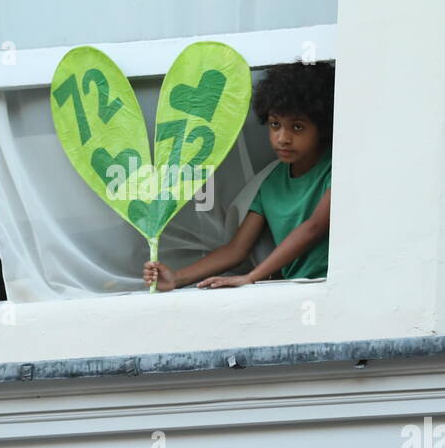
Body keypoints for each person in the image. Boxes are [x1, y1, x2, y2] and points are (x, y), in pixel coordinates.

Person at [143, 60, 334, 290]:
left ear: (323, 127)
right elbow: (237, 249)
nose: (282, 138)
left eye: (297, 127)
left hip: (331, 286)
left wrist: (252, 277)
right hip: (297, 290)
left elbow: (314, 228)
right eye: (275, 124)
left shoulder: (336, 169)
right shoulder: (271, 183)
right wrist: (176, 278)